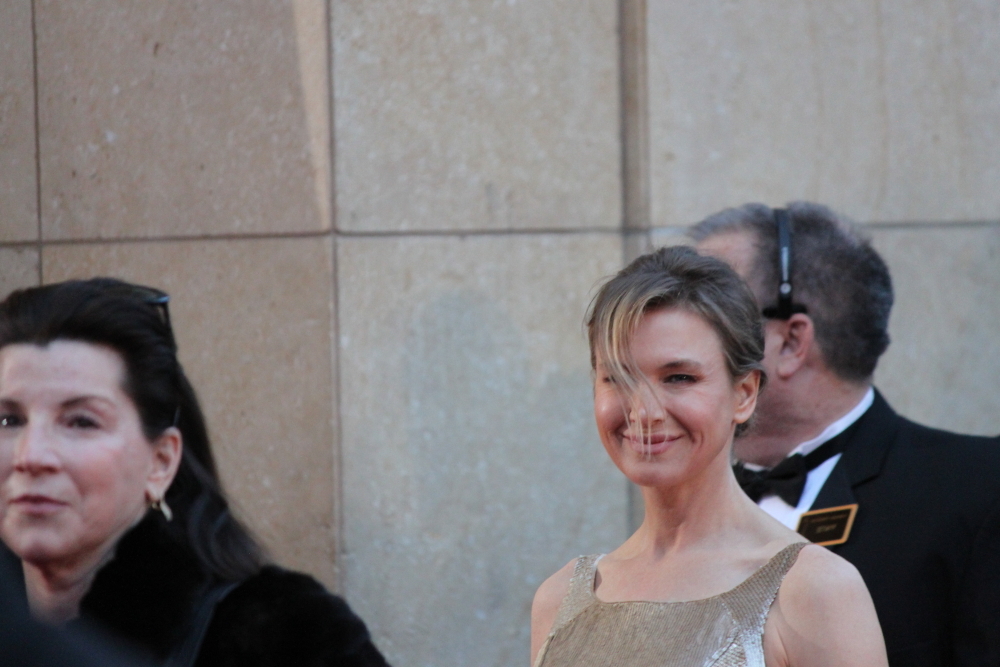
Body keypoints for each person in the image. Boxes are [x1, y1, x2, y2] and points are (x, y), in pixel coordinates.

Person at [0, 278, 389, 667]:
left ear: (161, 462)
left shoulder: (287, 641)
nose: (31, 455)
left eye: (81, 422)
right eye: (8, 420)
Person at [530, 246, 887, 667]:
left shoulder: (814, 590)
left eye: (679, 378)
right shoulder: (559, 600)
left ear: (745, 393)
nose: (643, 412)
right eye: (618, 377)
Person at [691, 202, 1000, 666]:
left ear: (790, 342)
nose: (670, 336)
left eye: (706, 315)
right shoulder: (684, 512)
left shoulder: (980, 488)